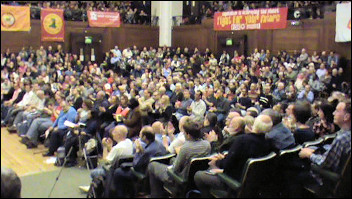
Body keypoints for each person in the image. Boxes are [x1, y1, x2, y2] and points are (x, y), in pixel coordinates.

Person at [194, 115, 274, 198]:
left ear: (255, 124)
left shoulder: (242, 140)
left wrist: (217, 162)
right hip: (253, 183)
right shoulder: (269, 143)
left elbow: (226, 165)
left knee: (199, 175)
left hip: (233, 181)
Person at [298, 99, 351, 196]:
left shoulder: (342, 139)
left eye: (337, 111)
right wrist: (316, 150)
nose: (334, 113)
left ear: (346, 117)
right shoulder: (344, 135)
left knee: (294, 174)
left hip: (327, 180)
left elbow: (324, 163)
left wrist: (309, 154)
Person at [148, 117, 211, 197]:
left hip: (179, 178)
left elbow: (175, 169)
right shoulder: (207, 144)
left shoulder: (186, 147)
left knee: (152, 165)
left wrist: (169, 168)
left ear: (188, 134)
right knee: (171, 159)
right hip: (192, 178)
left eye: (184, 132)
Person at [112, 127, 167, 197]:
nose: (139, 135)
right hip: (155, 173)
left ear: (144, 137)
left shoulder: (148, 152)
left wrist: (137, 151)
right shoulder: (159, 144)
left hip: (144, 176)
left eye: (140, 134)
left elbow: (135, 165)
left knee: (118, 172)